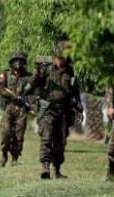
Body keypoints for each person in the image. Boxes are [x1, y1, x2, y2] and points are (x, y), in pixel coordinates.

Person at [26, 41, 82, 179]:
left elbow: (75, 91)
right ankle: (45, 167)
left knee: (61, 141)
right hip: (48, 110)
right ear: (56, 56)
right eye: (60, 58)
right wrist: (38, 73)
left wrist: (78, 106)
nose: (62, 61)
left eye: (65, 58)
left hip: (64, 111)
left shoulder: (70, 71)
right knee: (46, 138)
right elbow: (32, 85)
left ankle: (57, 170)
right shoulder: (46, 69)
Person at [0, 52, 33, 166]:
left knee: (19, 135)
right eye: (16, 60)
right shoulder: (5, 74)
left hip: (21, 109)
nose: (18, 63)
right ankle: (4, 155)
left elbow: (34, 92)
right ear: (12, 62)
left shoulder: (28, 77)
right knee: (5, 132)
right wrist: (10, 95)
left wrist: (30, 104)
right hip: (9, 107)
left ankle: (15, 158)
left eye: (20, 60)